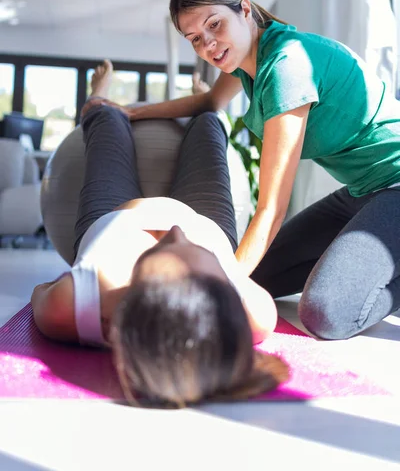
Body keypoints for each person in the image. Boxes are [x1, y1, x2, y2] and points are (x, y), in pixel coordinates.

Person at [112, 0, 400, 342]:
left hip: (395, 181)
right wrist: (130, 112)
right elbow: (209, 101)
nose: (209, 46)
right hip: (362, 191)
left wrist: (217, 295)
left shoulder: (286, 68)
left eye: (215, 25)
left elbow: (271, 208)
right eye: (195, 38)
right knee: (256, 274)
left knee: (326, 314)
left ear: (244, 10)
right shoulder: (248, 60)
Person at [31, 60, 287, 408]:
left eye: (158, 251)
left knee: (106, 119)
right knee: (209, 124)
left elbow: (40, 290)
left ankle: (98, 93)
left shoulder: (73, 307)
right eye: (197, 254)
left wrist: (79, 281)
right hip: (206, 216)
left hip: (109, 215)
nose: (174, 230)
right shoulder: (254, 314)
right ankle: (204, 98)